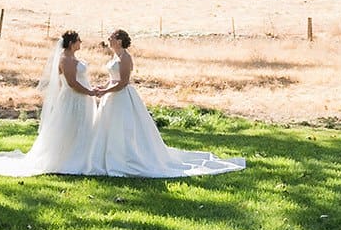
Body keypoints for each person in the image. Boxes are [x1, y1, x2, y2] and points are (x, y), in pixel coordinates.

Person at [86, 29, 245, 177]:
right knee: (108, 126)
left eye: (112, 38)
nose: (109, 40)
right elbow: (113, 79)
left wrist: (106, 91)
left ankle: (126, 157)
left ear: (119, 41)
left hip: (122, 97)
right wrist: (104, 87)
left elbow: (123, 82)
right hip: (112, 96)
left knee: (124, 127)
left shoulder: (125, 57)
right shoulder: (115, 57)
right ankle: (107, 157)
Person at [0, 30, 100, 176]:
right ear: (71, 43)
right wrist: (90, 92)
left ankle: (82, 156)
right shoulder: (65, 60)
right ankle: (68, 159)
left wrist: (90, 90)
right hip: (73, 98)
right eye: (79, 40)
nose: (81, 43)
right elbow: (72, 83)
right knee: (70, 127)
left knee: (80, 126)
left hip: (81, 98)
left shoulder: (72, 58)